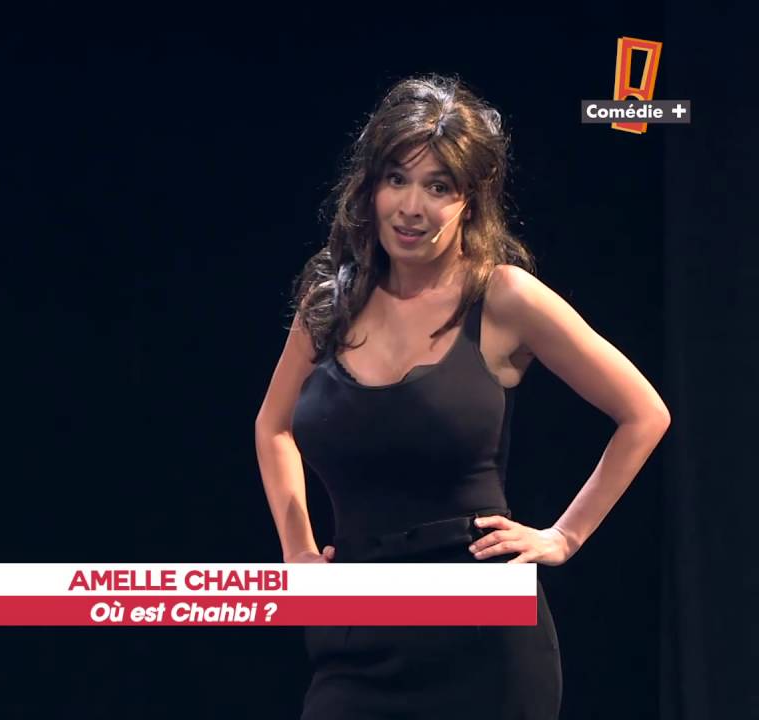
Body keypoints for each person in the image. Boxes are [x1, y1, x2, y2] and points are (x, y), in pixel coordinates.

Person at [253, 75, 671, 719]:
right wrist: (298, 553)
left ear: (470, 201)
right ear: (370, 187)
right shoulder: (328, 306)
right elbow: (273, 427)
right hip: (356, 631)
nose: (411, 207)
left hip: (483, 639)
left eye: (438, 186)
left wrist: (564, 536)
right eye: (397, 179)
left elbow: (643, 413)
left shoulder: (503, 298)